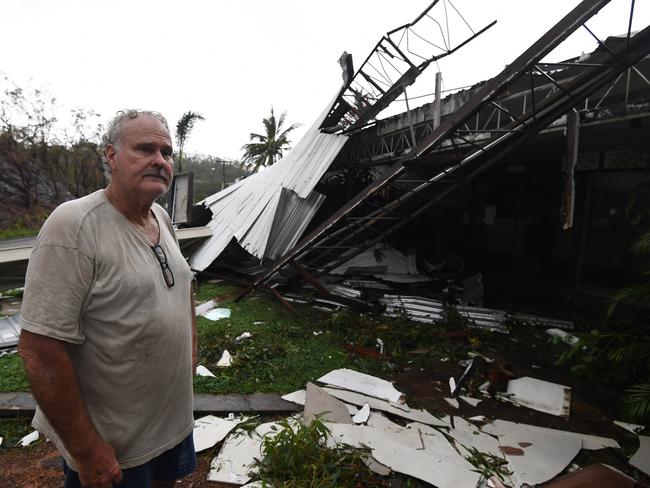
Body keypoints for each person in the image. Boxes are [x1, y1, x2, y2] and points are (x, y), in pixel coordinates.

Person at [18, 110, 197, 488]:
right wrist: (88, 452)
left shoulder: (161, 218)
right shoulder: (75, 225)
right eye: (145, 149)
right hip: (115, 446)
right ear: (111, 156)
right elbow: (40, 350)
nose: (160, 161)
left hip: (171, 425)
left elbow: (182, 288)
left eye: (167, 152)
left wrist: (189, 358)